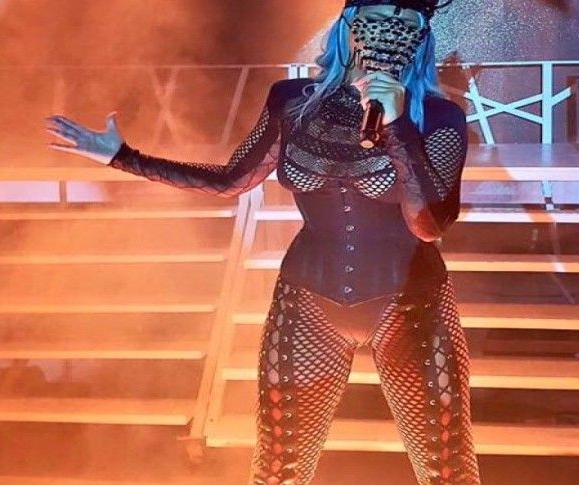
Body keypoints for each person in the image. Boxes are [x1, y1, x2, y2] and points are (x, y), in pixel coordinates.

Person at [44, 1, 480, 483]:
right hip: (307, 301)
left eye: (405, 23)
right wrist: (123, 157)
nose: (389, 31)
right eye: (376, 18)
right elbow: (231, 180)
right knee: (277, 472)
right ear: (348, 26)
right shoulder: (292, 101)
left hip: (412, 306)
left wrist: (397, 127)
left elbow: (429, 225)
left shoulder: (439, 118)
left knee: (449, 472)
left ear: (421, 39)